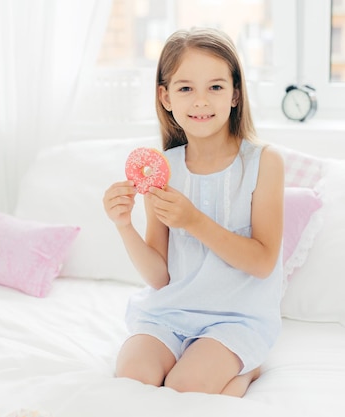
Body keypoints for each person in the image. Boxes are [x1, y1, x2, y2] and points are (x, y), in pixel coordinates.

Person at [102, 27, 285, 398]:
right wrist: (124, 226)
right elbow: (159, 276)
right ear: (165, 96)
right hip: (169, 313)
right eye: (186, 88)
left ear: (235, 94)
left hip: (235, 319)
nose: (200, 101)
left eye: (215, 87)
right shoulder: (163, 170)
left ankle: (247, 371)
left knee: (185, 387)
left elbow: (263, 261)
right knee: (131, 378)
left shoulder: (264, 162)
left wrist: (194, 221)